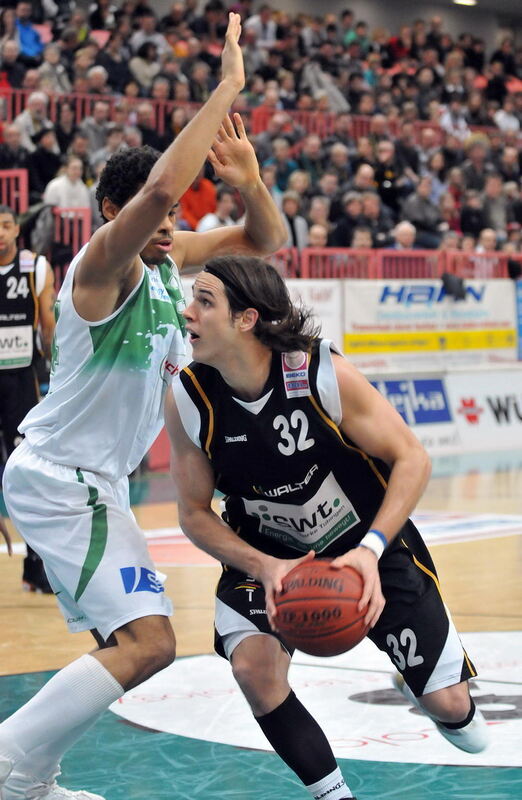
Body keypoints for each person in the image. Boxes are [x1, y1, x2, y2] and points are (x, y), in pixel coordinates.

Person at [0, 15, 286, 800]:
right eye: (152, 217)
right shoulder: (102, 268)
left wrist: (251, 180)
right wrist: (227, 85)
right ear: (111, 213)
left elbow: (264, 240)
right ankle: (8, 767)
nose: (168, 225)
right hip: (64, 478)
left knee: (123, 640)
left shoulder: (171, 258)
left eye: (171, 220)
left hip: (97, 485)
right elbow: (162, 184)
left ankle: (32, 774)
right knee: (150, 643)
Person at [166, 255, 488, 800]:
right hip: (266, 549)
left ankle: (438, 699)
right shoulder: (188, 398)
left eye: (204, 301)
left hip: (366, 539)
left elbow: (412, 458)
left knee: (454, 711)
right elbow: (193, 514)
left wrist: (369, 551)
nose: (187, 312)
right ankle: (334, 796)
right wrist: (265, 565)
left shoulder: (319, 372)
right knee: (253, 670)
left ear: (246, 319)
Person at [0, 204, 55, 594]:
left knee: (29, 475)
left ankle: (35, 563)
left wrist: (53, 367)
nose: (1, 233)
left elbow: (48, 327)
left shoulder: (34, 267)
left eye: (5, 225)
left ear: (16, 228)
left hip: (22, 381)